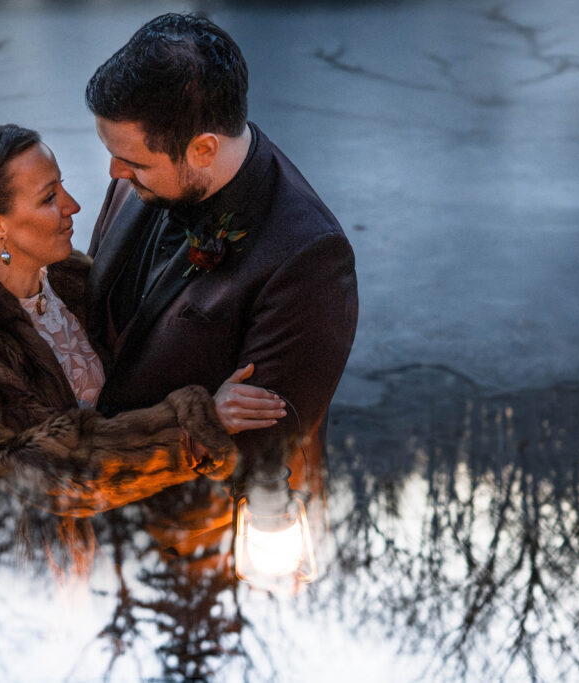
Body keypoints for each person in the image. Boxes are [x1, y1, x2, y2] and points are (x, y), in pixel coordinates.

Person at [0, 124, 285, 528]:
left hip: (124, 541)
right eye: (49, 197)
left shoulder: (72, 278)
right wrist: (199, 424)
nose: (74, 205)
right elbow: (64, 472)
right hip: (35, 570)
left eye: (61, 185)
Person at [85, 13, 359, 565]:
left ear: (204, 149)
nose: (114, 172)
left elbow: (265, 441)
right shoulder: (143, 176)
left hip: (190, 540)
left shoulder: (308, 256)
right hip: (97, 509)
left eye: (133, 160)